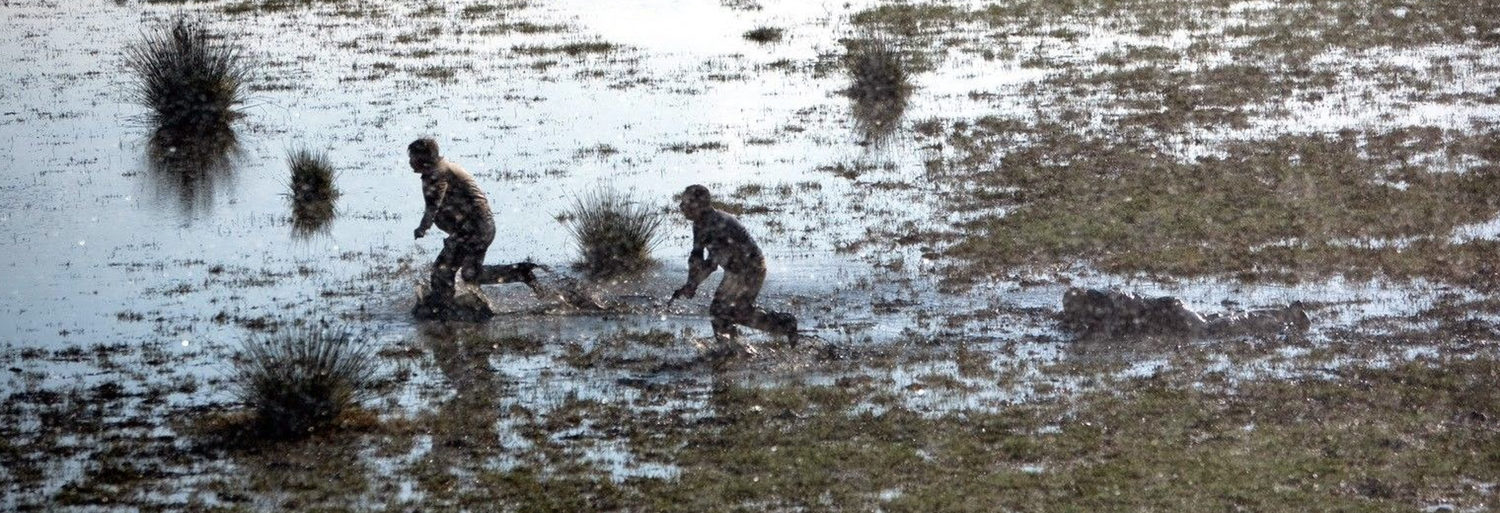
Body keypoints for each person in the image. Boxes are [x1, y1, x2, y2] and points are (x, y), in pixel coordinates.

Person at [407, 138, 537, 319]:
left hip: (474, 228)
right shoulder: (440, 169)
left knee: (442, 271)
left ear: (423, 158)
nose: (410, 161)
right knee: (470, 275)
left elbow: (433, 205)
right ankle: (517, 273)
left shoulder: (436, 174)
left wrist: (423, 227)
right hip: (477, 227)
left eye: (412, 157)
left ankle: (443, 309)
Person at [671, 184, 799, 346]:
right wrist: (691, 284)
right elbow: (696, 257)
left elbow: (711, 264)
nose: (682, 207)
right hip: (737, 271)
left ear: (698, 205)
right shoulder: (699, 223)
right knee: (735, 312)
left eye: (686, 202)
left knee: (720, 311)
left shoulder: (715, 224)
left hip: (750, 269)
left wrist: (693, 284)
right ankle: (778, 327)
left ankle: (733, 350)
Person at [1059, 287, 1310, 338]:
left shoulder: (1103, 307)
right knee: (1216, 322)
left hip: (1172, 314)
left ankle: (1285, 318)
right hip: (1171, 310)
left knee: (1213, 330)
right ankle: (1282, 314)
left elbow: (1115, 326)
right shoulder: (1101, 302)